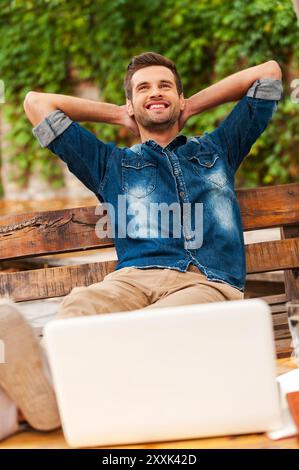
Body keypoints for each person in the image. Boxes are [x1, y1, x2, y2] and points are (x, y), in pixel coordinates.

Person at [0, 52, 282, 440]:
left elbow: (268, 74)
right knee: (77, 311)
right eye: (143, 89)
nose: (155, 93)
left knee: (156, 328)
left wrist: (188, 106)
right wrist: (119, 114)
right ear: (131, 102)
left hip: (205, 283)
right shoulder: (107, 163)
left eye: (165, 86)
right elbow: (36, 103)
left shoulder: (218, 150)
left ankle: (51, 409)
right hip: (132, 280)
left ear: (180, 96)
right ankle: (46, 404)